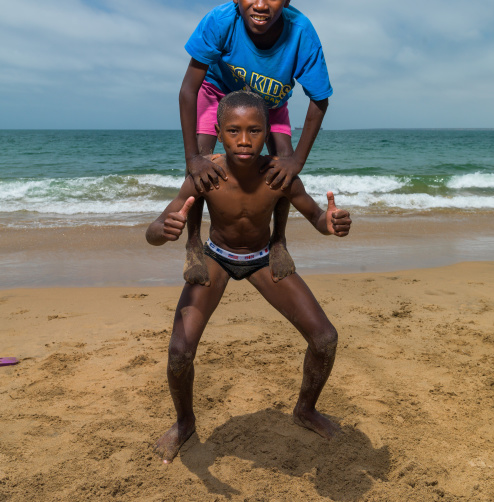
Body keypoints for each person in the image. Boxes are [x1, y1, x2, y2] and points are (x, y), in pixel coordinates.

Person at [146, 91, 351, 462]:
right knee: (179, 352)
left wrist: (332, 223)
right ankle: (185, 422)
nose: (244, 140)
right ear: (219, 133)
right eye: (234, 131)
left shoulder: (279, 175)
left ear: (266, 131)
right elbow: (154, 229)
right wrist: (165, 230)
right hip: (217, 258)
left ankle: (305, 410)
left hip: (261, 260)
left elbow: (318, 218)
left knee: (325, 339)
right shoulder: (205, 174)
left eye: (255, 130)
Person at [179, 0, 333, 287]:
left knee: (283, 166)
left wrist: (297, 163)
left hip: (270, 103)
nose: (260, 5)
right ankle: (193, 242)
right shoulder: (220, 21)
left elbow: (319, 99)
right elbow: (188, 90)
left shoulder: (301, 32)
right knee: (202, 164)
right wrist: (193, 157)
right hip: (216, 94)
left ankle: (278, 240)